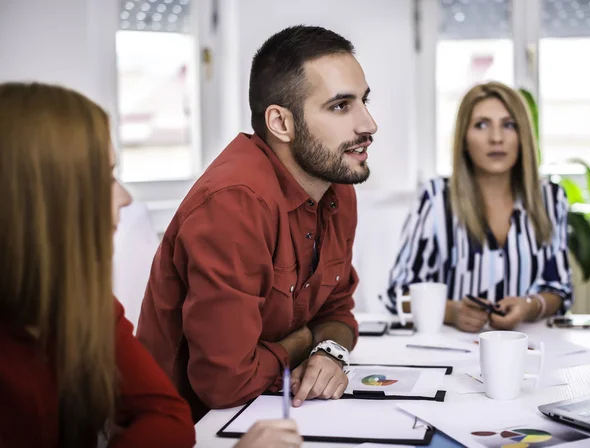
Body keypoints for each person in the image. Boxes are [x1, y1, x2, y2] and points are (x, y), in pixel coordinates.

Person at [0, 82, 302, 448]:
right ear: (38, 200)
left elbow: (166, 415)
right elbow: (222, 384)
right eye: (103, 177)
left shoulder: (79, 307)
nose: (125, 198)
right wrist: (306, 341)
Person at [137, 25, 378, 421]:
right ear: (281, 123)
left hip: (274, 411)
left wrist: (328, 350)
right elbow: (224, 383)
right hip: (192, 428)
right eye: (340, 106)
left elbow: (337, 311)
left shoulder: (336, 187)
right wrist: (304, 342)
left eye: (364, 101)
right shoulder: (233, 204)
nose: (368, 125)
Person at [382, 81, 572, 333]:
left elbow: (559, 290)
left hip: (531, 349)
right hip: (454, 350)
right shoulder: (436, 198)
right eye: (482, 125)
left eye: (509, 124)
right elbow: (398, 294)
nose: (496, 138)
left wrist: (529, 305)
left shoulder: (550, 197)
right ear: (463, 139)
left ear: (522, 135)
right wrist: (452, 312)